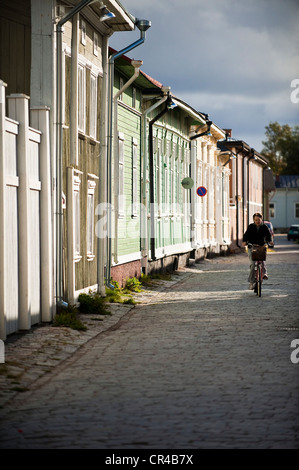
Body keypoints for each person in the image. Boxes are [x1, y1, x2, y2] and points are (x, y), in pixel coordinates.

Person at [243, 212, 272, 290]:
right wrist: (244, 241)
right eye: (255, 220)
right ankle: (251, 282)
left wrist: (269, 241)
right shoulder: (251, 227)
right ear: (253, 220)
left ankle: (264, 274)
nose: (257, 221)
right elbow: (246, 235)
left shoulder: (264, 227)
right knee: (253, 263)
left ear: (261, 219)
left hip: (261, 247)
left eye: (258, 220)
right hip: (252, 247)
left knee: (262, 260)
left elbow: (268, 236)